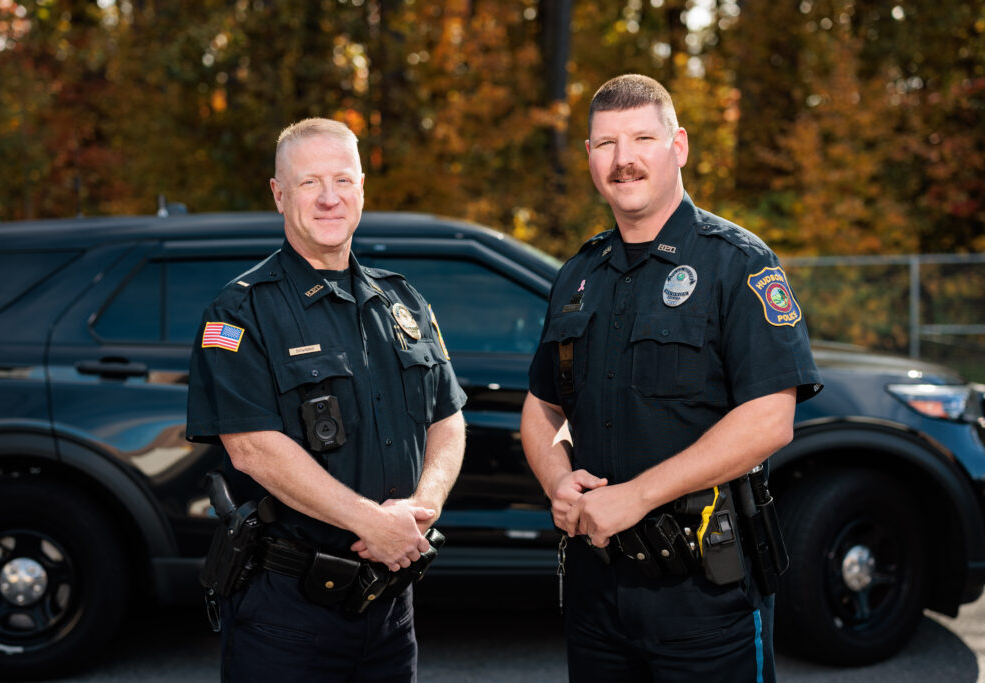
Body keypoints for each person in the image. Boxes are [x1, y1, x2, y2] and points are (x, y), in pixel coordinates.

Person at [520, 74, 822, 682]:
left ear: (678, 145)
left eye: (642, 138)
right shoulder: (578, 274)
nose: (623, 159)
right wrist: (558, 481)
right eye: (605, 144)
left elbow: (770, 418)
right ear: (588, 156)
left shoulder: (735, 262)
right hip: (597, 591)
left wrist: (634, 498)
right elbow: (542, 406)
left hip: (706, 594)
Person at [187, 118, 466, 682]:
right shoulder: (240, 310)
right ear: (279, 193)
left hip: (391, 608)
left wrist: (420, 511)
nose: (330, 197)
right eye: (311, 182)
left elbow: (448, 417)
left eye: (343, 179)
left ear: (363, 187)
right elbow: (252, 451)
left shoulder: (402, 301)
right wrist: (372, 522)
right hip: (286, 617)